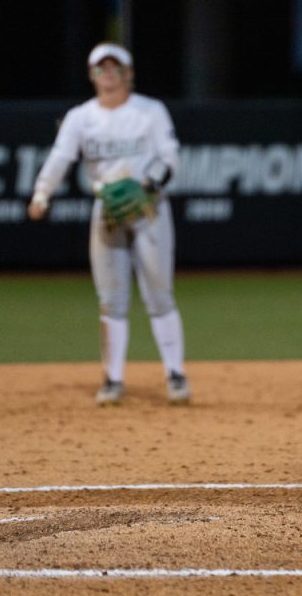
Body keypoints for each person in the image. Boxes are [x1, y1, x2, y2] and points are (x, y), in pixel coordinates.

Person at [27, 42, 191, 406]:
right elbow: (60, 157)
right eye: (102, 69)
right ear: (92, 75)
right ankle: (113, 379)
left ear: (129, 73)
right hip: (108, 214)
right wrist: (42, 193)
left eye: (116, 68)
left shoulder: (149, 111)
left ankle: (175, 374)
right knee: (111, 300)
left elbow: (170, 157)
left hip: (149, 209)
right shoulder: (81, 117)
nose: (109, 74)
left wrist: (147, 185)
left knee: (159, 294)